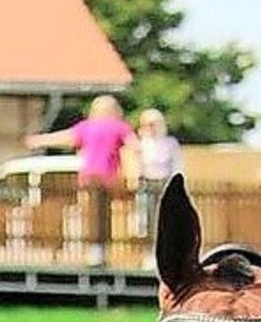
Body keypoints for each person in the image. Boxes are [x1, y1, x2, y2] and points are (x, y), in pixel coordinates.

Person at [23, 94, 137, 266]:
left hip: (89, 178)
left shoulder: (86, 127)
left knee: (91, 216)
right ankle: (105, 251)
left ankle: (94, 252)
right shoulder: (119, 127)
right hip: (108, 177)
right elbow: (134, 146)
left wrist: (39, 140)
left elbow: (64, 137)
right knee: (108, 216)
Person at [134, 108, 183, 240]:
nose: (152, 128)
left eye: (154, 124)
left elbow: (177, 164)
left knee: (167, 217)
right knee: (147, 218)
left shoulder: (170, 143)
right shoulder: (141, 144)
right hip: (147, 182)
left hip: (165, 182)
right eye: (148, 124)